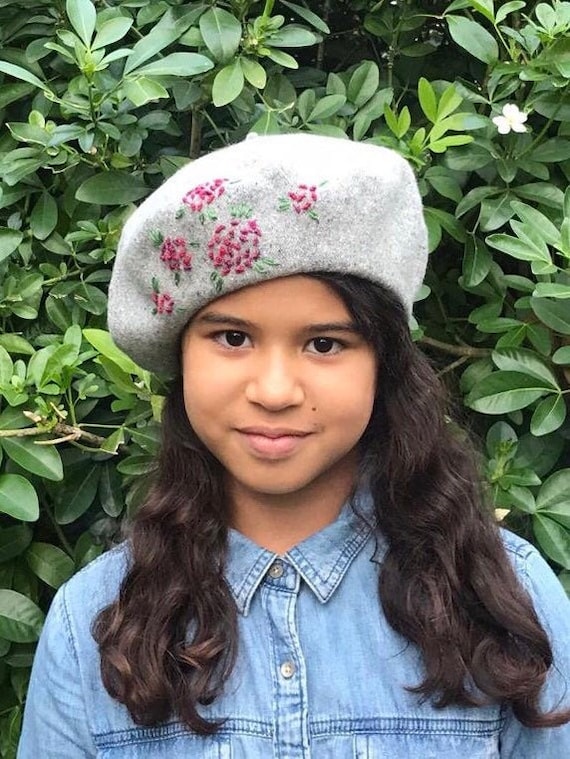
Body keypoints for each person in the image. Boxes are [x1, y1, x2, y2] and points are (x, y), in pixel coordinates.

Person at [18, 133, 570, 758]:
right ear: (180, 358)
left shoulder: (500, 595)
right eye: (231, 337)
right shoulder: (94, 622)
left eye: (325, 344)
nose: (276, 391)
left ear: (382, 364)